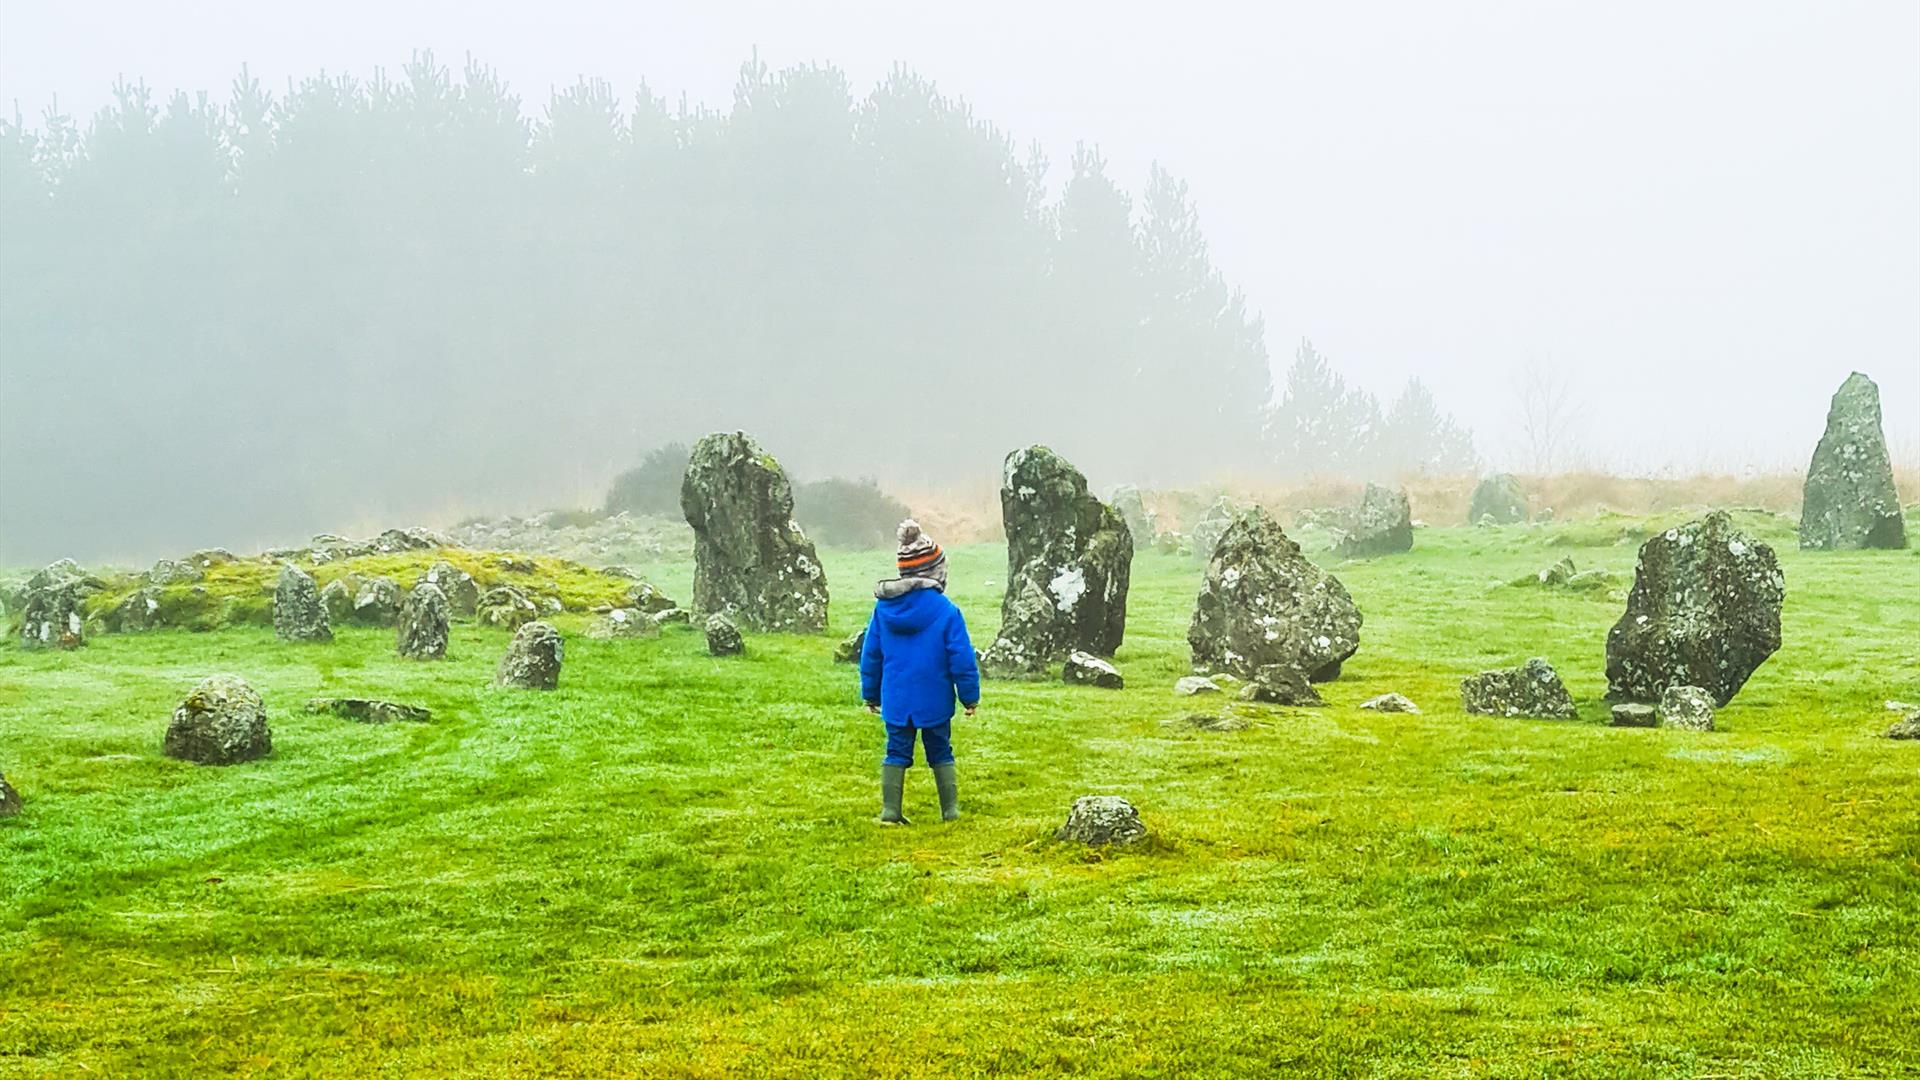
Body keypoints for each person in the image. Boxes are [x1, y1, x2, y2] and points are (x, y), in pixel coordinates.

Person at [859, 519, 980, 824]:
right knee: (940, 749)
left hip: (897, 698)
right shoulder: (946, 611)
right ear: (936, 571)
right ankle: (950, 811)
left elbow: (871, 654)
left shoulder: (883, 610)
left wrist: (870, 693)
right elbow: (961, 658)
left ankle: (890, 811)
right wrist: (969, 697)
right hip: (935, 697)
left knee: (896, 749)